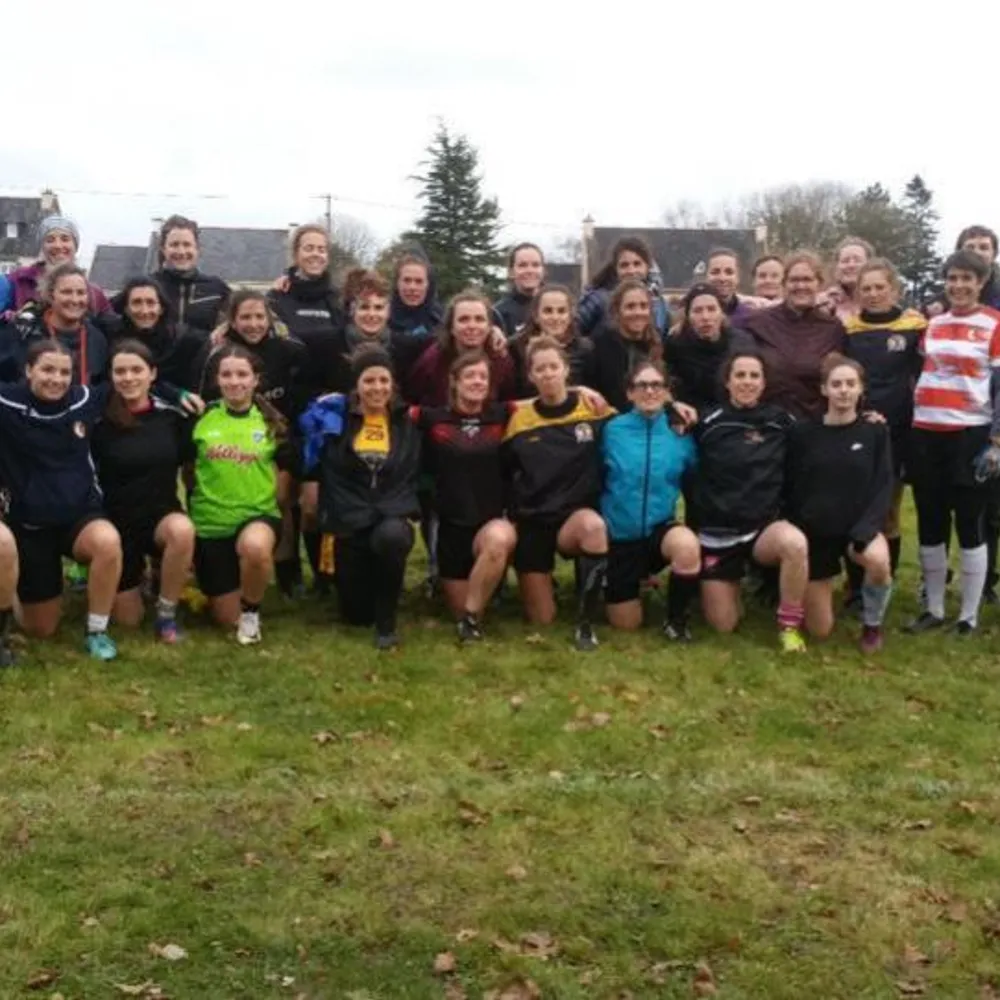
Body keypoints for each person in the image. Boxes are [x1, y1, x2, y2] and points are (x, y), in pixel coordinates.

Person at [0, 341, 123, 659]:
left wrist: (179, 395)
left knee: (108, 542)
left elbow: (134, 381)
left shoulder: (83, 398)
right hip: (30, 523)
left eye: (64, 372)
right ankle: (12, 587)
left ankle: (97, 630)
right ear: (29, 371)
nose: (56, 378)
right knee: (41, 629)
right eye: (47, 369)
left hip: (79, 516)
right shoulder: (7, 401)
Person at [905, 250, 1000, 636]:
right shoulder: (933, 323)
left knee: (970, 522)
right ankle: (935, 607)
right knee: (930, 520)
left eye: (967, 279)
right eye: (953, 278)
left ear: (981, 283)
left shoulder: (994, 323)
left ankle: (969, 615)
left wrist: (996, 439)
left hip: (970, 434)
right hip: (927, 430)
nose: (959, 286)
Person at [300, 346, 421, 649]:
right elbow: (315, 461)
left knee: (391, 537)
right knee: (356, 615)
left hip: (391, 514)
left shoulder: (408, 422)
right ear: (356, 385)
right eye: (369, 381)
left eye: (384, 380)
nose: (377, 388)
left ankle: (388, 622)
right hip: (349, 520)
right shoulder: (334, 419)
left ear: (393, 384)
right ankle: (368, 598)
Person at [690, 350, 809, 651]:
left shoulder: (781, 422)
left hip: (763, 531)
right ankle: (731, 587)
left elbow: (822, 439)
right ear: (727, 382)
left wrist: (867, 419)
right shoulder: (707, 424)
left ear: (764, 382)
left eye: (754, 376)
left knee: (795, 543)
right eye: (740, 375)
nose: (747, 382)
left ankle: (789, 626)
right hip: (718, 534)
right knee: (724, 626)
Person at [194, 290, 308, 596]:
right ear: (232, 320)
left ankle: (287, 567)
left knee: (283, 501)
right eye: (246, 317)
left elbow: (303, 387)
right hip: (232, 437)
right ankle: (222, 560)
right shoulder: (218, 353)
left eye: (260, 316)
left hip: (277, 434)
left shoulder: (288, 349)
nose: (254, 323)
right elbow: (203, 398)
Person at [502, 336, 611, 651]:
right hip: (534, 521)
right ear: (531, 376)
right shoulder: (518, 420)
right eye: (540, 369)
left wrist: (674, 409)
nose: (548, 373)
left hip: (573, 520)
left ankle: (586, 623)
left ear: (566, 370)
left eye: (554, 366)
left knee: (594, 527)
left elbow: (643, 411)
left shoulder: (594, 410)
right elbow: (503, 471)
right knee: (542, 619)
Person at [786, 355, 894, 652]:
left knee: (879, 562)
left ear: (861, 389)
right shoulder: (803, 434)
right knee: (820, 631)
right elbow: (792, 484)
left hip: (858, 530)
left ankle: (872, 624)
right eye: (836, 384)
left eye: (850, 384)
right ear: (824, 390)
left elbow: (884, 485)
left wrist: (866, 529)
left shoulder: (875, 431)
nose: (844, 390)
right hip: (817, 533)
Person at [91, 340, 196, 643]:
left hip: (159, 516)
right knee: (128, 621)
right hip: (116, 524)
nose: (128, 377)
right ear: (111, 376)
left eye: (136, 370)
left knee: (183, 531)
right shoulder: (98, 420)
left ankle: (166, 614)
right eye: (120, 371)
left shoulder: (173, 416)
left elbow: (191, 466)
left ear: (152, 374)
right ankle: (130, 578)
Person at [186, 344, 285, 644]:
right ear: (217, 379)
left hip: (257, 516)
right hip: (211, 523)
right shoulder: (201, 418)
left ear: (256, 380)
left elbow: (284, 473)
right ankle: (208, 587)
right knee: (226, 619)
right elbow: (187, 471)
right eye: (227, 374)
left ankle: (252, 612)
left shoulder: (271, 423)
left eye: (242, 374)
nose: (235, 381)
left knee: (255, 547)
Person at [414, 351, 517, 640]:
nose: (477, 382)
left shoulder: (503, 413)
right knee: (459, 608)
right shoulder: (432, 418)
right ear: (454, 382)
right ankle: (466, 611)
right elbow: (389, 409)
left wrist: (581, 390)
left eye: (483, 377)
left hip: (490, 522)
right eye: (470, 376)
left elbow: (548, 397)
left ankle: (471, 622)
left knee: (498, 540)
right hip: (450, 525)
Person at [600, 359, 701, 638]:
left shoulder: (680, 433)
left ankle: (677, 622)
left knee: (687, 545)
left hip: (659, 532)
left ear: (667, 392)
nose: (649, 391)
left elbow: (699, 478)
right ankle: (625, 584)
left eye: (657, 385)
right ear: (629, 393)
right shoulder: (611, 430)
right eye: (641, 385)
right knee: (626, 625)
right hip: (620, 539)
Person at [842, 259, 925, 594]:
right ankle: (854, 584)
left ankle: (881, 584)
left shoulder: (915, 327)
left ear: (894, 289)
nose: (873, 294)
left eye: (880, 287)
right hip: (856, 431)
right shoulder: (848, 330)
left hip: (899, 433)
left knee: (888, 511)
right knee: (854, 508)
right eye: (866, 288)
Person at [741, 251, 846, 419]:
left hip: (814, 424)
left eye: (807, 279)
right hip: (767, 424)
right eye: (794, 280)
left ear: (819, 284)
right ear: (783, 284)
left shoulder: (833, 328)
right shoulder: (757, 323)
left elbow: (844, 377)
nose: (800, 286)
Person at [267, 223, 345, 397]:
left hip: (331, 398)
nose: (316, 254)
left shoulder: (339, 298)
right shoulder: (277, 296)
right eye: (309, 248)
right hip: (288, 398)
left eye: (321, 249)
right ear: (296, 254)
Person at [0, 262, 110, 384]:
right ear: (51, 295)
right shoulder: (23, 332)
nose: (75, 300)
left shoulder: (97, 339)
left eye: (81, 293)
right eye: (66, 292)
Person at [3, 215, 115, 331]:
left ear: (75, 245)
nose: (58, 245)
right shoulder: (18, 280)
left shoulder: (93, 292)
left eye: (65, 239)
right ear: (42, 247)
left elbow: (110, 329)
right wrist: (10, 318)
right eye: (50, 240)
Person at [405, 290, 517, 406]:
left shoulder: (501, 360)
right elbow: (411, 400)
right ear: (451, 327)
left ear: (489, 326)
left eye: (479, 319)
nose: (472, 326)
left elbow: (509, 404)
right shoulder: (432, 360)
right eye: (464, 319)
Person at [664, 283, 755, 411]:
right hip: (692, 416)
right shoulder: (675, 345)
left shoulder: (742, 342)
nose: (705, 317)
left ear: (722, 313)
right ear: (688, 316)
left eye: (711, 309)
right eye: (697, 311)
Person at [110, 276, 205, 390]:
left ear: (161, 309)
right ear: (126, 309)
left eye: (151, 303)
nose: (144, 311)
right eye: (136, 303)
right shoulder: (112, 336)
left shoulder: (183, 339)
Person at [588, 278, 665, 412]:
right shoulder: (601, 344)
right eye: (630, 307)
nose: (638, 312)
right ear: (617, 310)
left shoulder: (656, 343)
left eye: (643, 306)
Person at [152, 215, 231, 337]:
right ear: (163, 249)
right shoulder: (148, 286)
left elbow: (247, 315)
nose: (181, 251)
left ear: (197, 249)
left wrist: (224, 328)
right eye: (174, 245)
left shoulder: (216, 288)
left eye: (187, 244)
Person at [510, 284, 594, 394]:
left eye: (561, 311)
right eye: (548, 311)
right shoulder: (516, 347)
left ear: (570, 316)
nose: (555, 317)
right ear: (536, 316)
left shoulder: (586, 348)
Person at [577, 236, 668, 337]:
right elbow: (572, 333)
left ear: (648, 267)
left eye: (637, 264)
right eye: (624, 265)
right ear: (615, 269)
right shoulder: (597, 300)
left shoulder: (660, 304)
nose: (631, 271)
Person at [389, 248, 443, 340]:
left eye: (419, 281)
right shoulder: (380, 318)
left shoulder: (442, 321)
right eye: (407, 280)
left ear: (428, 285)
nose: (412, 287)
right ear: (397, 283)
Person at [494, 243, 545, 337]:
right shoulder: (499, 313)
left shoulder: (557, 308)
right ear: (511, 272)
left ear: (543, 270)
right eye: (523, 265)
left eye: (535, 265)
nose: (530, 270)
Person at [823, 237, 873, 322]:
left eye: (857, 260)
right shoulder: (823, 302)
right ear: (836, 267)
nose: (851, 265)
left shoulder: (882, 302)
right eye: (845, 261)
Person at [704, 248, 757, 326]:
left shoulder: (749, 317)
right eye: (715, 272)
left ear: (738, 277)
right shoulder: (689, 315)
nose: (722, 278)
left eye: (729, 272)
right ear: (706, 276)